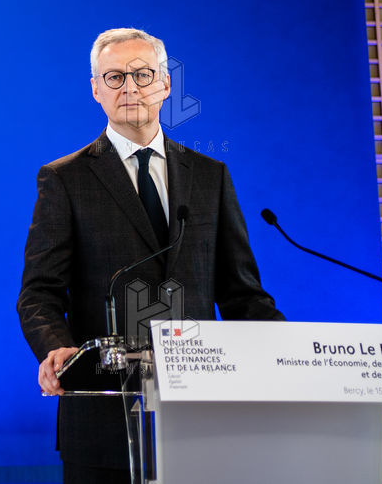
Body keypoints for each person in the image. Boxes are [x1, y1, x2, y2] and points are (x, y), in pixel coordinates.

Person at [17, 28, 283, 484]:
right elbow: (39, 292)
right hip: (103, 416)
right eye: (115, 77)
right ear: (96, 89)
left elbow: (241, 293)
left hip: (201, 413)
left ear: (165, 83)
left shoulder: (210, 175)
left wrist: (289, 351)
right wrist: (57, 347)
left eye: (142, 74)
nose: (130, 88)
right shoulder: (64, 179)